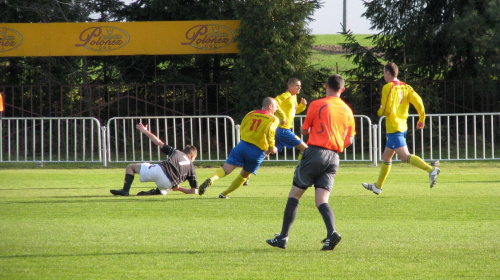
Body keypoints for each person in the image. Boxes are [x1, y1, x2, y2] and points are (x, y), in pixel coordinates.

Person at [266, 74, 356, 251]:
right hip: (334, 157)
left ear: (325, 86)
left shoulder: (317, 104)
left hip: (316, 152)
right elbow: (349, 141)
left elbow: (304, 129)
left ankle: (283, 238)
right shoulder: (347, 110)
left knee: (294, 195)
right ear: (342, 89)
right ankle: (331, 234)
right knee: (322, 200)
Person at [362, 62, 440, 195]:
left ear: (388, 73)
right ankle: (378, 186)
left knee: (404, 157)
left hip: (394, 127)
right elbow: (419, 102)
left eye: (384, 73)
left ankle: (431, 170)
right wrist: (421, 118)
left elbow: (386, 108)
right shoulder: (406, 87)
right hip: (402, 126)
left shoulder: (388, 87)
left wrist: (380, 112)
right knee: (386, 157)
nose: (383, 76)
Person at [198, 97, 279, 198]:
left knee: (225, 169)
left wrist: (245, 138)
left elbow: (243, 126)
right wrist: (272, 146)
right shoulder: (273, 119)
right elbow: (270, 132)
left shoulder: (251, 113)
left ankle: (212, 179)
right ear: (270, 106)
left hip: (242, 145)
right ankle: (224, 194)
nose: (276, 109)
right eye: (276, 106)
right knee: (244, 175)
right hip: (257, 151)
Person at [110, 123, 198, 196]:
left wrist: (144, 130)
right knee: (164, 188)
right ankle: (155, 192)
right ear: (192, 157)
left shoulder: (177, 152)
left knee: (130, 167)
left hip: (160, 170)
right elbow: (195, 191)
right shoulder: (192, 168)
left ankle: (125, 191)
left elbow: (158, 142)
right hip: (168, 184)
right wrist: (179, 188)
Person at [274, 78, 308, 158]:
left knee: (271, 150)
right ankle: (301, 169)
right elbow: (274, 103)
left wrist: (302, 106)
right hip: (282, 130)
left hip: (283, 129)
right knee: (306, 149)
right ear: (291, 86)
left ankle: (250, 163)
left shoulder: (294, 97)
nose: (299, 87)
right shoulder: (286, 95)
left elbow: (293, 111)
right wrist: (282, 116)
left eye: (300, 86)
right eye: (297, 86)